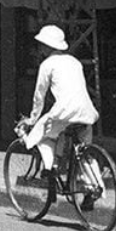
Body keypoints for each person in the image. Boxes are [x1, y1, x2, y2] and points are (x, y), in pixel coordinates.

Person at [22, 25, 100, 190]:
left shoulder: (47, 64)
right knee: (83, 153)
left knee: (41, 136)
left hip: (65, 112)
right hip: (86, 112)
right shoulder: (74, 62)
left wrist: (32, 119)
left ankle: (50, 168)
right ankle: (92, 188)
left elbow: (39, 96)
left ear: (46, 46)